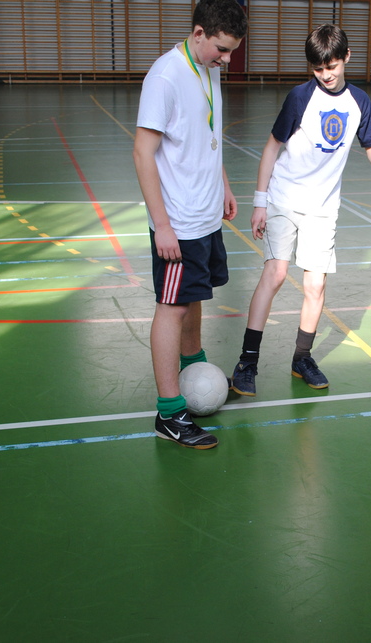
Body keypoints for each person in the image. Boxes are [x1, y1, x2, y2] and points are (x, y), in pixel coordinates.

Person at [230, 23, 371, 397]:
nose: (326, 75)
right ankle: (247, 362)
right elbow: (272, 147)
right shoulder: (300, 97)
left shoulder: (359, 102)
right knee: (275, 274)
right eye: (318, 69)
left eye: (331, 66)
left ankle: (302, 358)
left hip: (324, 207)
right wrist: (260, 202)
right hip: (284, 197)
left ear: (346, 58)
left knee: (316, 284)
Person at [133, 0, 247, 449]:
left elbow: (207, 135)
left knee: (194, 298)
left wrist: (224, 185)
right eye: (222, 49)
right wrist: (162, 225)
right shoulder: (165, 76)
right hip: (177, 221)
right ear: (199, 33)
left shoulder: (208, 66)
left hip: (205, 214)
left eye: (232, 50)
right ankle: (169, 412)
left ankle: (194, 373)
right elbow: (143, 153)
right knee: (172, 307)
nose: (228, 59)